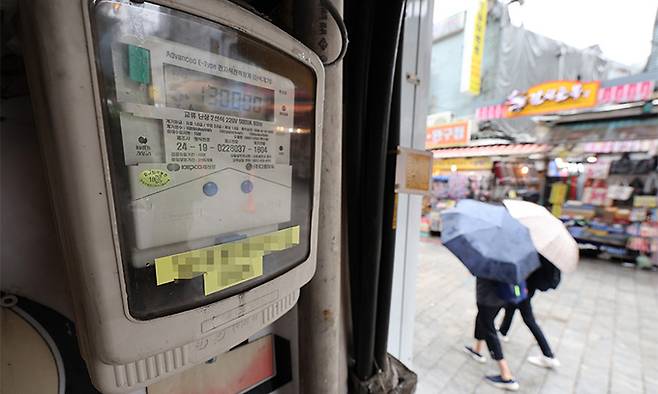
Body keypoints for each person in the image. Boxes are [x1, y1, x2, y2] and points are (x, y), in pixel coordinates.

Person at [498, 256, 561, 369]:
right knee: (511, 305)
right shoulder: (546, 252)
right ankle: (503, 331)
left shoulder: (539, 252)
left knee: (528, 319)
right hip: (527, 286)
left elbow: (530, 268)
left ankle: (548, 355)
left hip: (525, 287)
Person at [464, 277, 519, 391]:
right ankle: (477, 350)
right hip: (499, 299)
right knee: (481, 320)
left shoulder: (492, 262)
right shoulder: (509, 261)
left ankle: (506, 375)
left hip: (487, 299)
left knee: (489, 331)